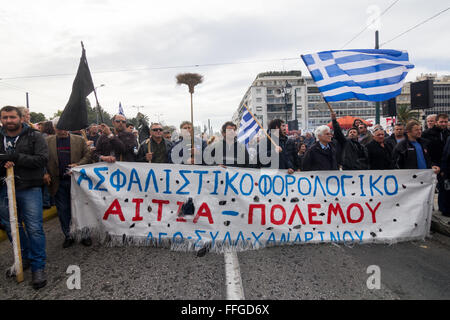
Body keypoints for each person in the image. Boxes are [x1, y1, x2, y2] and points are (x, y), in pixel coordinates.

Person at [0, 106, 48, 289]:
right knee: (11, 227)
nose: (9, 120)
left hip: (29, 187)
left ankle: (38, 267)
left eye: (12, 117)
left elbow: (42, 159)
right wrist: (4, 161)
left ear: (20, 118)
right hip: (4, 188)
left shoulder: (34, 136)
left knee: (34, 228)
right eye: (5, 117)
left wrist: (17, 157)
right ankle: (23, 257)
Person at [44, 126, 92, 248]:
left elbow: (88, 156)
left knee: (81, 209)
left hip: (77, 182)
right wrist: (45, 173)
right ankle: (69, 235)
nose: (62, 130)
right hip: (58, 182)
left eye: (65, 127)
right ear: (54, 128)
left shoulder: (79, 140)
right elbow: (42, 158)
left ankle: (85, 234)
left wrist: (78, 165)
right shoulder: (47, 141)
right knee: (63, 210)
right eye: (59, 128)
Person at [439, 136, 450, 216]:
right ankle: (446, 210)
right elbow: (446, 154)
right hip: (448, 170)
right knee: (447, 191)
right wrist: (443, 169)